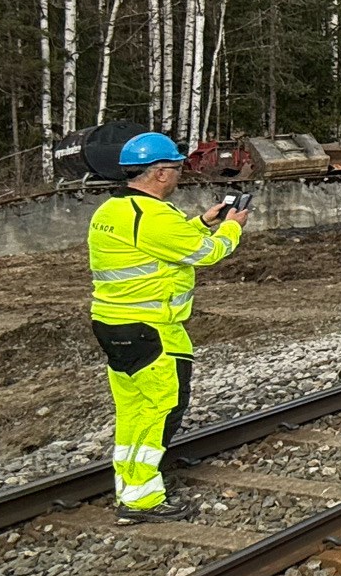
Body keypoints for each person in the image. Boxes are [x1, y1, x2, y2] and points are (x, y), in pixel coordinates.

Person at [86, 132, 249, 522]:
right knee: (163, 409)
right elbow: (206, 253)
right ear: (160, 173)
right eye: (176, 168)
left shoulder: (111, 211)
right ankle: (141, 499)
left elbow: (162, 243)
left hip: (112, 324)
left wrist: (202, 222)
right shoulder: (155, 216)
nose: (179, 175)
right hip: (152, 329)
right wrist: (232, 227)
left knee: (133, 411)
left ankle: (129, 486)